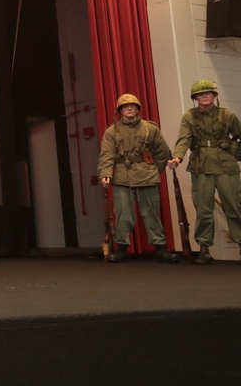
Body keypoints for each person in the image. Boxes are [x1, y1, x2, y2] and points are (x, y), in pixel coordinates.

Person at [97, 94, 177, 263]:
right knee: (123, 214)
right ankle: (122, 249)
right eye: (126, 107)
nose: (130, 109)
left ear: (138, 109)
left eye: (133, 106)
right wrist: (105, 174)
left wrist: (155, 170)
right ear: (120, 111)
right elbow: (107, 155)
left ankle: (160, 248)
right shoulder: (112, 131)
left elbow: (162, 152)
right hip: (122, 177)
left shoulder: (150, 128)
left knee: (151, 214)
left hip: (147, 176)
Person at [168, 80, 241, 264]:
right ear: (195, 98)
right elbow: (184, 139)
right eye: (200, 94)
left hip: (226, 166)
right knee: (203, 209)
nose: (204, 96)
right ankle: (204, 248)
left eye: (208, 93)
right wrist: (177, 157)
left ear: (214, 95)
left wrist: (234, 150)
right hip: (201, 166)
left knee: (234, 206)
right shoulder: (189, 117)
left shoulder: (227, 115)